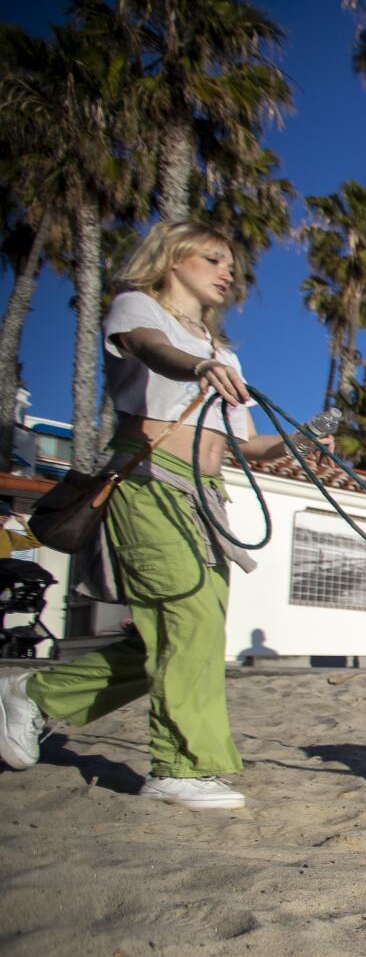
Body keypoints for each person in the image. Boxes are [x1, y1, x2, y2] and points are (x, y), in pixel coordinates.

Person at [0, 222, 297, 807]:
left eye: (229, 263)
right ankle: (178, 768)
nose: (226, 271)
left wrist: (298, 442)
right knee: (187, 620)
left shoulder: (222, 352)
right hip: (149, 483)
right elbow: (146, 347)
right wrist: (194, 367)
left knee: (187, 633)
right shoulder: (139, 308)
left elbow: (246, 445)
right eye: (212, 258)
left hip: (206, 497)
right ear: (171, 259)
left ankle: (34, 695)